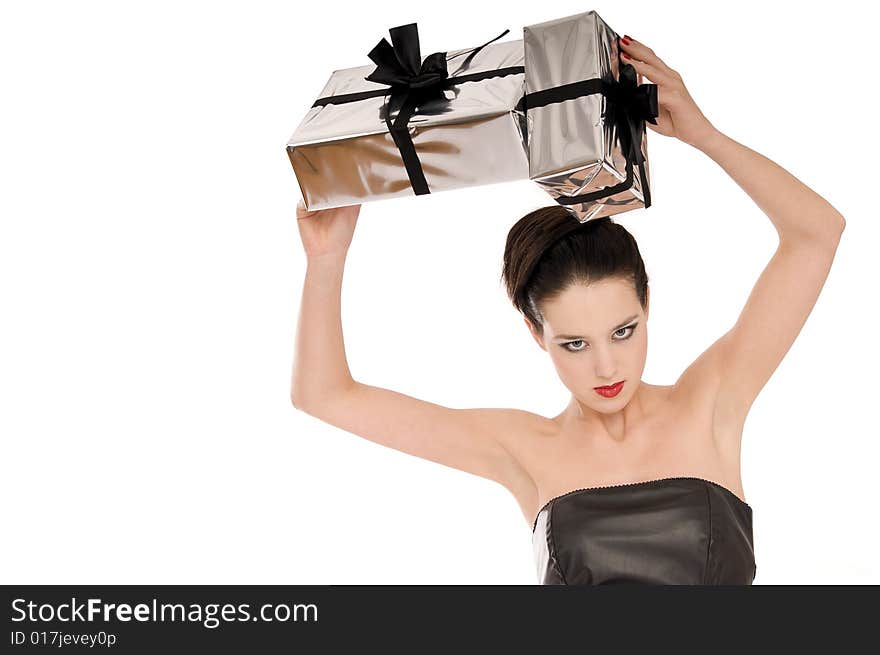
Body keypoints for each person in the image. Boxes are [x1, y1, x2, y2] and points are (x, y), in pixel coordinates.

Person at [290, 35, 846, 584]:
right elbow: (324, 395)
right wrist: (325, 259)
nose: (606, 368)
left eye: (623, 332)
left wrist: (705, 136)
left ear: (647, 306)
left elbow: (818, 234)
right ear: (537, 334)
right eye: (574, 344)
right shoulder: (524, 447)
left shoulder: (711, 403)